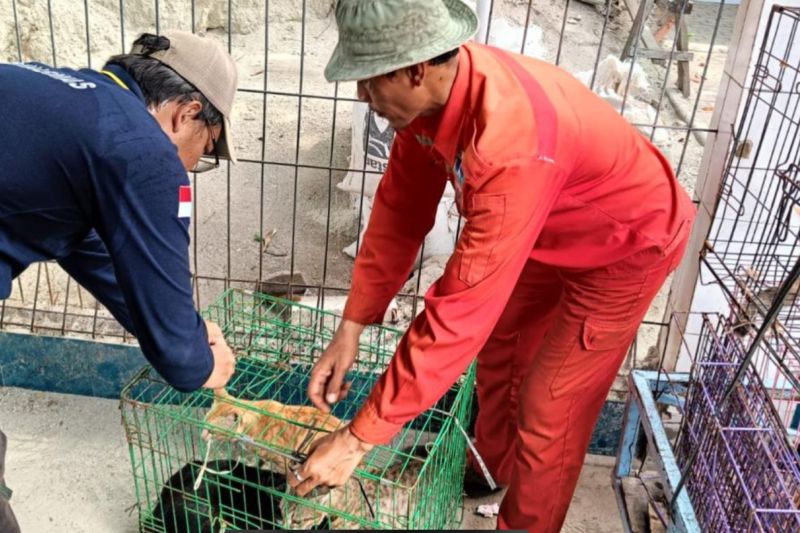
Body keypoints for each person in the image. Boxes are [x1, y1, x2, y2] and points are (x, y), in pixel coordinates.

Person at [289, 1, 696, 531]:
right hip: (547, 226)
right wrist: (352, 326)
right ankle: (489, 465)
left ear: (415, 69)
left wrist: (357, 438)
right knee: (504, 345)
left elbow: (459, 313)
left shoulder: (509, 145)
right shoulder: (431, 100)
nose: (361, 95)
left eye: (368, 80)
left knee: (551, 407)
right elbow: (399, 210)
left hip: (627, 244)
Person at [0, 30, 239, 393]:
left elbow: (85, 247)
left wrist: (188, 331)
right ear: (187, 114)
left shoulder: (50, 90)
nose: (190, 167)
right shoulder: (143, 151)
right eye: (205, 149)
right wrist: (201, 364)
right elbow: (183, 366)